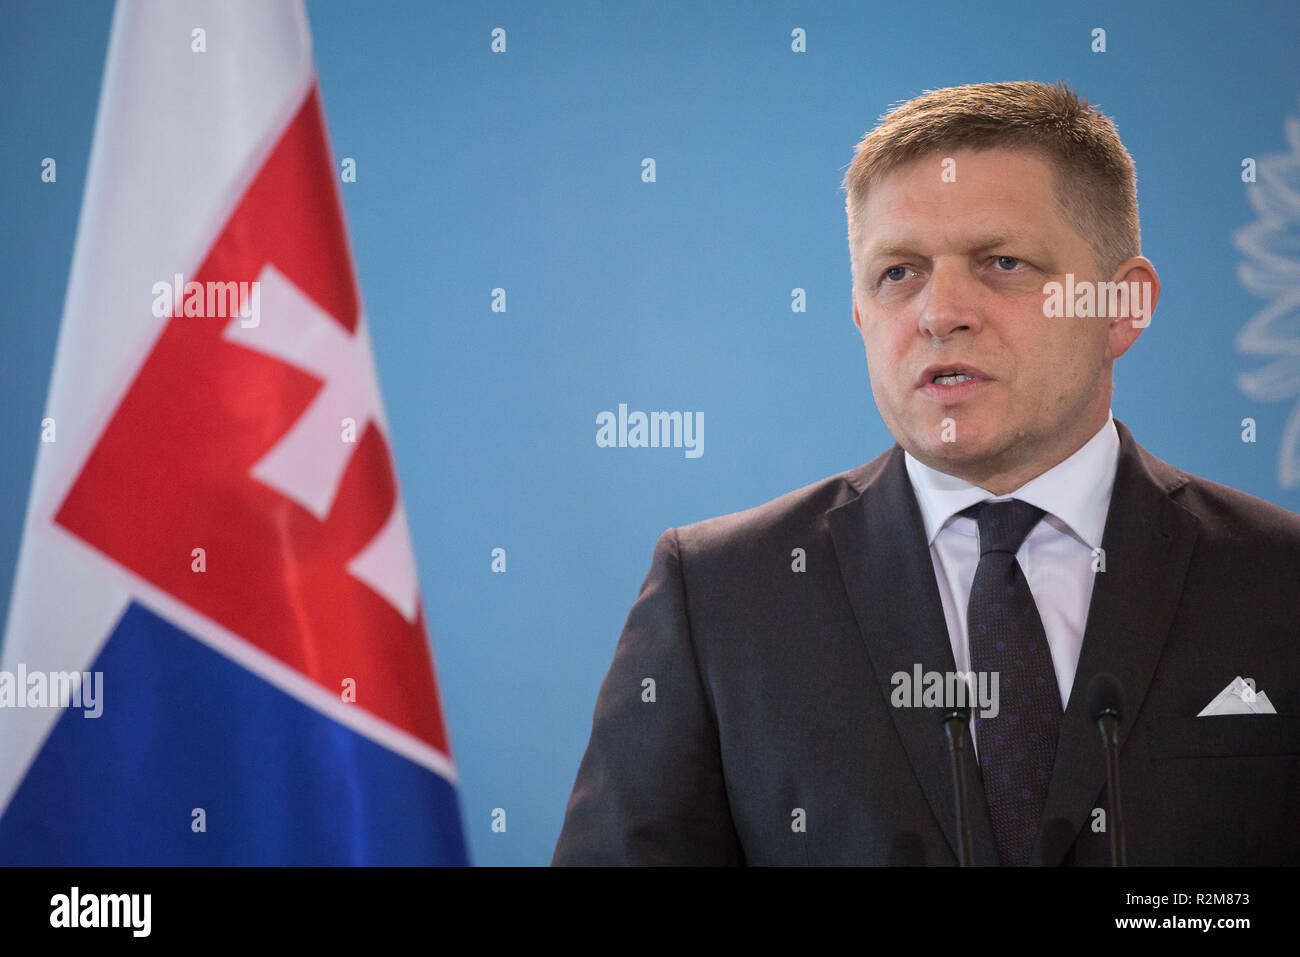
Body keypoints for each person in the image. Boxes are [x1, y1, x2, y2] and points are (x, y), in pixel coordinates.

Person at [552, 81, 1300, 866]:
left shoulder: (1277, 580)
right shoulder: (718, 596)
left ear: (1121, 305)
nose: (941, 311)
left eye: (1002, 262)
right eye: (899, 273)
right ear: (861, 316)